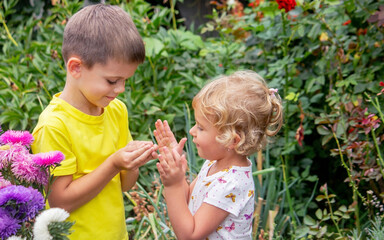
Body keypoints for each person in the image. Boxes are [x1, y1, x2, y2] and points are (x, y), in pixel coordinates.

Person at [31, 4, 157, 240]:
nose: (120, 90)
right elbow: (59, 203)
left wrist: (132, 162)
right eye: (112, 81)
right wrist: (113, 164)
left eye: (125, 81)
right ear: (76, 67)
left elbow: (125, 185)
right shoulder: (54, 125)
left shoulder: (115, 110)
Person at [153, 70, 283, 239]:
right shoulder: (214, 164)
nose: (192, 131)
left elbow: (189, 235)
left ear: (231, 140)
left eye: (201, 127)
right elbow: (187, 200)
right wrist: (174, 168)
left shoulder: (231, 184)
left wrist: (173, 185)